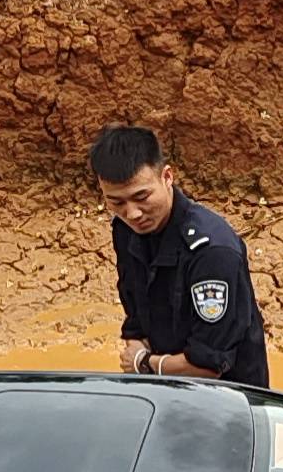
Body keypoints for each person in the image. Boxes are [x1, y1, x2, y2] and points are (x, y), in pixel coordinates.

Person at [97, 123, 270, 386]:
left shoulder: (212, 251)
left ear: (167, 177)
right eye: (116, 202)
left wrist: (143, 363)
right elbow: (135, 316)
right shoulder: (125, 230)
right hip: (164, 388)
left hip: (230, 402)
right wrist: (139, 352)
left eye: (142, 196)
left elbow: (208, 366)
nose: (132, 213)